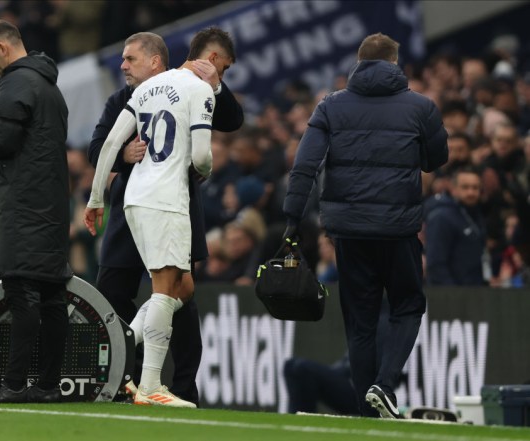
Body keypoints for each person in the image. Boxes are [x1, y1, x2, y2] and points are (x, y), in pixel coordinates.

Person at [283, 33, 448, 418]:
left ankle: (365, 414)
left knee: (360, 322)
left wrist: (292, 220)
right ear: (394, 62)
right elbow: (435, 159)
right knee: (407, 306)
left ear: (358, 62)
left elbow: (305, 165)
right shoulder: (421, 106)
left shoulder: (330, 106)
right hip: (398, 228)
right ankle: (384, 385)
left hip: (349, 232)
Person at [87, 28, 243, 405]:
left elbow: (233, 118)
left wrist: (95, 199)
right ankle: (139, 382)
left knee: (182, 293)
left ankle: (177, 385)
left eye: (130, 59)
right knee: (132, 292)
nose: (123, 65)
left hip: (148, 204)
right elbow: (100, 148)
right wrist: (127, 156)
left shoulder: (189, 88)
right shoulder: (127, 97)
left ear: (155, 61)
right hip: (158, 204)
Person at [0, 19, 72, 404]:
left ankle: (15, 385)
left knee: (22, 295)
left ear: (3, 49)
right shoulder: (49, 84)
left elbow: (4, 140)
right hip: (52, 207)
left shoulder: (17, 82)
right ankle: (48, 386)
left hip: (23, 208)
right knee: (53, 298)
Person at [424, 168, 486, 285]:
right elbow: (435, 263)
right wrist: (453, 294)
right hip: (451, 295)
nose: (471, 192)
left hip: (474, 291)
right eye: (465, 187)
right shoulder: (441, 217)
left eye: (475, 188)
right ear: (453, 189)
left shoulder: (476, 215)